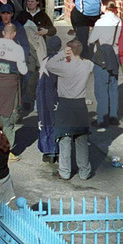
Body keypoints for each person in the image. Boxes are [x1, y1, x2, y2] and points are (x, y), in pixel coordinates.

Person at [47, 40, 95, 181]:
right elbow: (89, 63)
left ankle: (65, 171)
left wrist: (61, 54)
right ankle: (84, 172)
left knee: (65, 138)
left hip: (65, 105)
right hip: (80, 105)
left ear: (69, 51)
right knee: (81, 138)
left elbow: (49, 65)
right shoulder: (87, 65)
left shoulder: (64, 67)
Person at [89, 0, 122, 128]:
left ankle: (102, 118)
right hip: (115, 52)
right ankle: (113, 116)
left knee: (101, 87)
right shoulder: (118, 20)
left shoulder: (100, 22)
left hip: (102, 54)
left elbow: (92, 39)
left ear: (104, 6)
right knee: (113, 85)